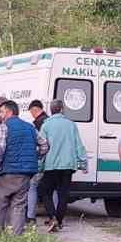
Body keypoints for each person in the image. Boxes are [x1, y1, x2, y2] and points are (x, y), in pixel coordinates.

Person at [0, 100, 40, 235]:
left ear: (9, 112)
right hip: (25, 173)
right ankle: (16, 238)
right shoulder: (30, 127)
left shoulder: (4, 126)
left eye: (1, 112)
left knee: (0, 205)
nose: (0, 115)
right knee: (19, 206)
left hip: (6, 172)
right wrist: (34, 156)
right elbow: (44, 145)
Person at [38, 99, 87, 232]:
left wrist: (39, 165)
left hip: (51, 165)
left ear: (51, 110)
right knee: (63, 194)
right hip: (68, 165)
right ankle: (59, 221)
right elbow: (78, 145)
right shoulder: (71, 125)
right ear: (61, 110)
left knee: (45, 191)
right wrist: (83, 163)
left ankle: (52, 216)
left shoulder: (46, 125)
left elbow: (42, 147)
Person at [26, 100, 48, 222]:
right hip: (53, 162)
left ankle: (30, 216)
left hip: (42, 161)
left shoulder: (39, 123)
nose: (32, 115)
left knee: (32, 186)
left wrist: (38, 156)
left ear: (35, 110)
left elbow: (41, 143)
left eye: (31, 113)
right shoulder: (48, 120)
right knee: (52, 188)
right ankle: (54, 215)